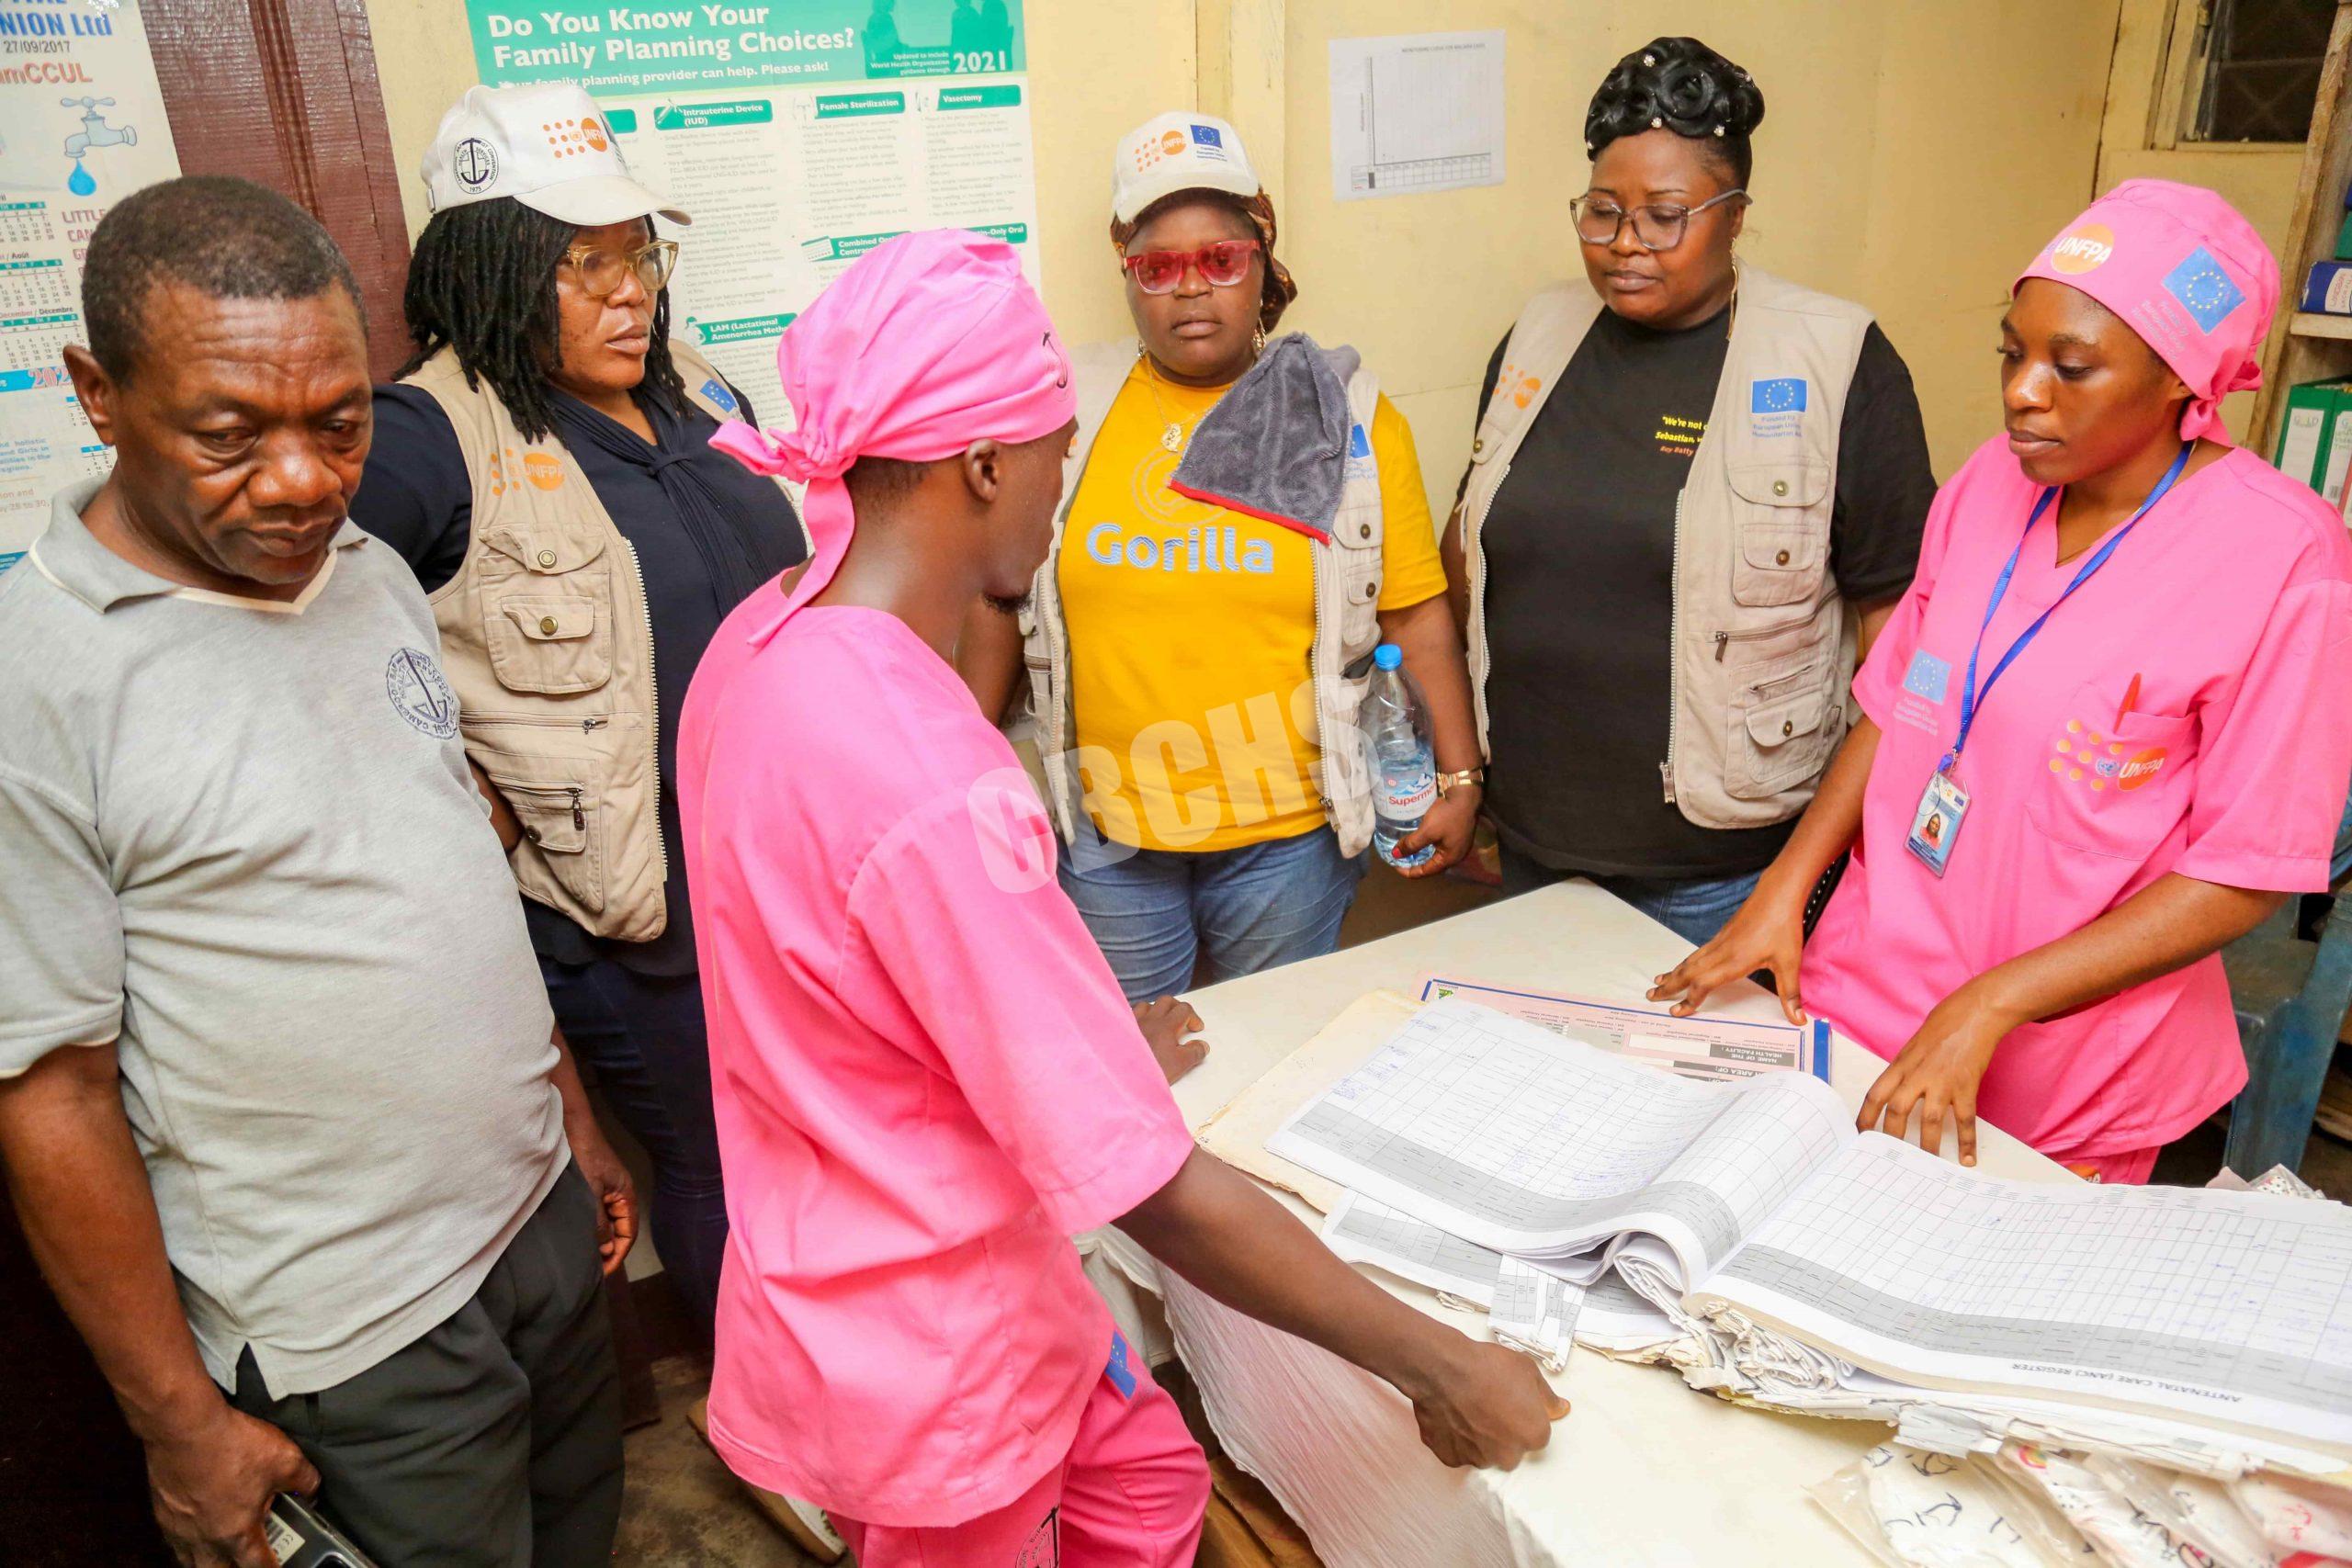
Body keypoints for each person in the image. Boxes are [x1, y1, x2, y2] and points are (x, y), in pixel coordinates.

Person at [683, 229, 1566, 1565]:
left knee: (1149, 1478)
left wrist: (1079, 1042)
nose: (1069, 484)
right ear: (984, 464)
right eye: (1055, 450)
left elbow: (863, 971)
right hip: (933, 1343)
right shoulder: (931, 774)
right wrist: (1436, 1361)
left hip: (882, 1253)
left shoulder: (756, 646)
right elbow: (1153, 1186)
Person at [0, 176, 631, 1568]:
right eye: (230, 433)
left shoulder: (360, 566)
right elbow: (52, 1086)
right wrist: (178, 1422)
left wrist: (570, 1125)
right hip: (352, 1327)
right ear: (99, 394)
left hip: (535, 1226)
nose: (300, 479)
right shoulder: (33, 676)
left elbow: (451, 863)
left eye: (337, 421)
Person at [1654, 179, 2352, 1183]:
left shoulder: (2282, 556)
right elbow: (1894, 714)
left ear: (2180, 384)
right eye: (2011, 352)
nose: (2023, 391)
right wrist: (1780, 890)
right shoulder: (1991, 480)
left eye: (2071, 367)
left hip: (2070, 1064)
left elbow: (2242, 869)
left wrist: (1993, 1001)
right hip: (1863, 997)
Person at [353, 84, 808, 1343]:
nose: (630, 292)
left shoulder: (705, 392)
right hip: (628, 920)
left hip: (773, 879)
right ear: (491, 267)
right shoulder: (426, 437)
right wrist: (458, 798)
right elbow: (319, 657)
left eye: (639, 255)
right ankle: (776, 1423)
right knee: (720, 1168)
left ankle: (844, 1392)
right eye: (581, 264)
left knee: (815, 1145)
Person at [965, 110, 1484, 1003]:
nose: (1190, 288)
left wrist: (1460, 775)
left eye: (1220, 260)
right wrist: (957, 775)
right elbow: (998, 602)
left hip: (1289, 841)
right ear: (1125, 269)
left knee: (1268, 1066)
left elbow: (1415, 613)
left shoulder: (1348, 417)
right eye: (1158, 266)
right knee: (1132, 1081)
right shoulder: (1064, 407)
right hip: (1104, 835)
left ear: (1261, 253)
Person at [1445, 37, 1935, 945]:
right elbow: (1468, 552)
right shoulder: (1538, 335)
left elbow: (1902, 652)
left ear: (1735, 212)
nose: (1627, 243)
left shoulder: (1834, 359)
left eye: (1667, 215)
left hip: (1725, 879)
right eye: (1602, 211)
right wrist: (1464, 775)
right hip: (1530, 850)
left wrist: (1805, 879)